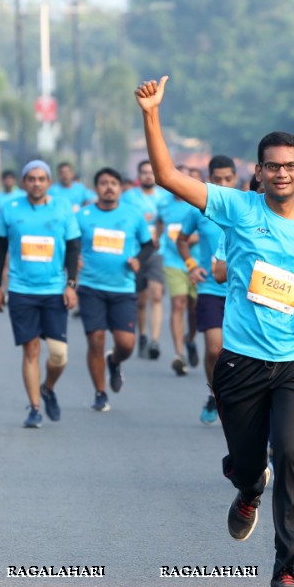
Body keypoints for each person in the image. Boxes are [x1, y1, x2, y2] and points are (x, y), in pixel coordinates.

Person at [137, 75, 294, 587]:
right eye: (271, 165)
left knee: (293, 457)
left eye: (289, 166)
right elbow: (165, 175)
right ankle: (248, 488)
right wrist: (152, 113)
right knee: (250, 464)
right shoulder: (236, 207)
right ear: (260, 171)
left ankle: (287, 570)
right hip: (243, 363)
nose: (281, 172)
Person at [0, 160, 82, 428]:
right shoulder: (10, 209)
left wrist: (71, 284)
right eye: (31, 179)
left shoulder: (63, 209)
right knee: (31, 349)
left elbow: (74, 247)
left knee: (58, 355)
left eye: (41, 179)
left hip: (54, 289)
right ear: (23, 183)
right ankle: (34, 408)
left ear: (49, 183)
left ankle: (48, 387)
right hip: (21, 290)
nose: (36, 183)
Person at [76, 168, 155, 412]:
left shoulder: (133, 215)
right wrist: (75, 258)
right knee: (96, 339)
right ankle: (100, 393)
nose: (108, 187)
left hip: (122, 287)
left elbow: (148, 245)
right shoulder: (83, 215)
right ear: (96, 188)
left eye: (113, 183)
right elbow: (69, 243)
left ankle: (114, 360)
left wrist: (138, 260)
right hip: (91, 286)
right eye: (103, 183)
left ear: (121, 187)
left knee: (126, 344)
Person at [178, 154, 240, 423]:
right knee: (215, 349)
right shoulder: (199, 207)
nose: (224, 184)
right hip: (209, 290)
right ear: (209, 180)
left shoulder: (246, 207)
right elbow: (181, 240)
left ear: (236, 179)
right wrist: (191, 265)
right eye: (218, 179)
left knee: (237, 351)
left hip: (241, 292)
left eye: (228, 178)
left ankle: (238, 398)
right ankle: (214, 394)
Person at [123, 160, 170, 360]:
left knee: (157, 295)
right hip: (137, 252)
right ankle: (142, 335)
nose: (148, 176)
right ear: (138, 175)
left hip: (158, 251)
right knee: (141, 300)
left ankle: (154, 340)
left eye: (151, 172)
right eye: (144, 172)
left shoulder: (166, 196)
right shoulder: (128, 197)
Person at [158, 168, 201, 376]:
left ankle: (190, 338)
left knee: (194, 309)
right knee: (178, 303)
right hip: (173, 261)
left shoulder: (199, 202)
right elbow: (159, 223)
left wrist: (196, 239)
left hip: (199, 263)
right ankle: (178, 354)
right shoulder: (165, 203)